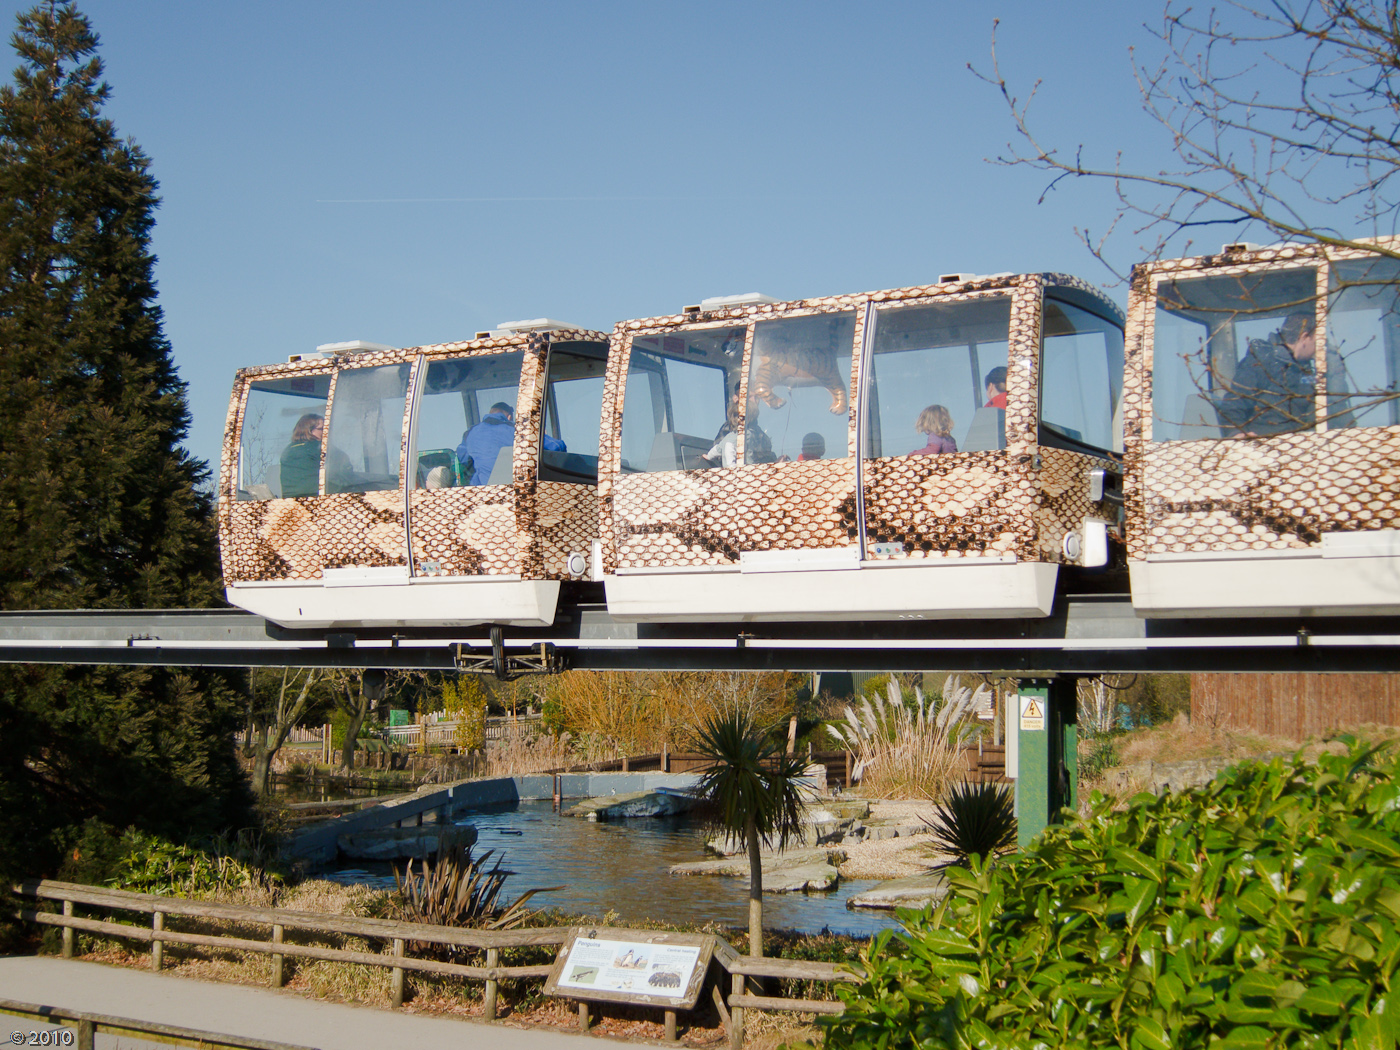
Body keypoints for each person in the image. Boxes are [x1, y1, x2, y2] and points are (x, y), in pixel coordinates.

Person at [1218, 313, 1318, 436]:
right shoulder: (1260, 362)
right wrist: (1236, 434)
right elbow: (1233, 405)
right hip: (1265, 445)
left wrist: (1335, 368)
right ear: (1305, 337)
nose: (1319, 348)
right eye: (1317, 342)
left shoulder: (1306, 371)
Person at [457, 401, 565, 485]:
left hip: (482, 494)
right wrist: (542, 434)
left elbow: (463, 459)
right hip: (516, 491)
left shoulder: (470, 433)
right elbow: (556, 447)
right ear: (509, 417)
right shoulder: (518, 429)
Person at [280, 413, 324, 497]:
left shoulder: (288, 450)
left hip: (290, 502)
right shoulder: (318, 448)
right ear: (309, 430)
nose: (326, 432)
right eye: (322, 429)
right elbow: (339, 473)